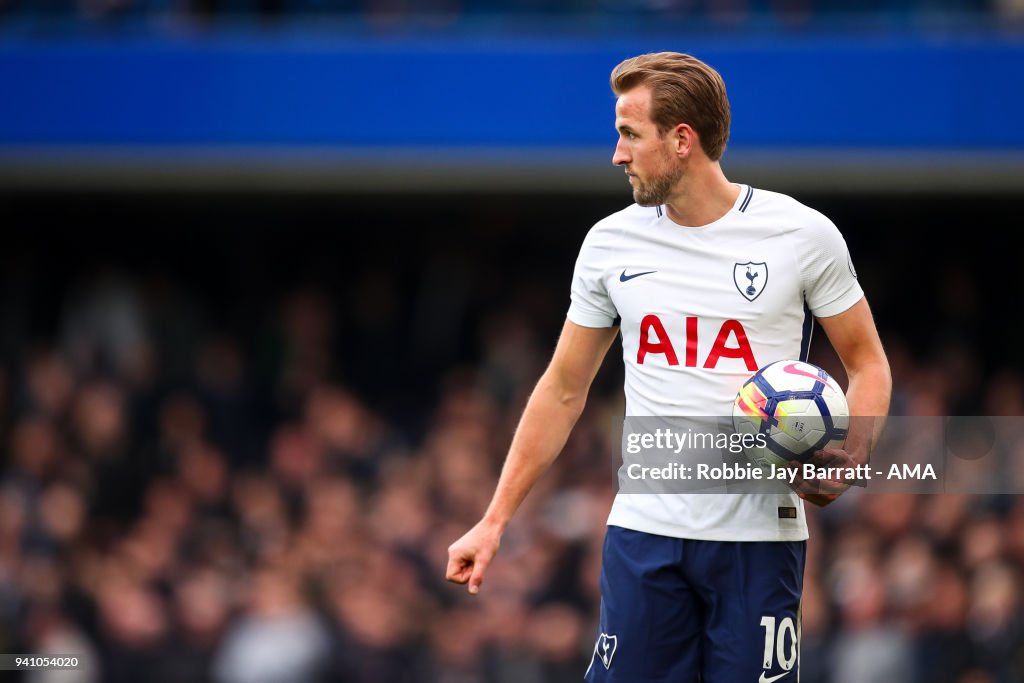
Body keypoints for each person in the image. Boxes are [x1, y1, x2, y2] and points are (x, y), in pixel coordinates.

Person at [446, 51, 891, 682]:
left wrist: (852, 454)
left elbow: (867, 362)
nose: (617, 154)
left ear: (682, 140)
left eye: (629, 134)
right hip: (645, 534)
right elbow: (563, 390)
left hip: (760, 541)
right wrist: (494, 521)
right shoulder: (609, 244)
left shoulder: (800, 235)